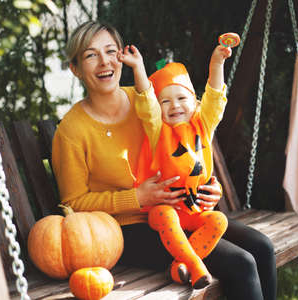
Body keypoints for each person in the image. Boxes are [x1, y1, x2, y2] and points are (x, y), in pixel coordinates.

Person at [52, 20, 277, 300]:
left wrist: (209, 184)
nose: (104, 62)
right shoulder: (72, 130)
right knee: (240, 263)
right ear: (75, 68)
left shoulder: (150, 97)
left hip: (182, 210)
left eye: (111, 51)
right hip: (127, 228)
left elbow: (196, 134)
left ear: (122, 56)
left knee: (262, 246)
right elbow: (72, 204)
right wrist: (136, 197)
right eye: (90, 55)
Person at [134, 45, 233, 289]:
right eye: (164, 101)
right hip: (166, 211)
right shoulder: (158, 131)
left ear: (195, 101)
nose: (174, 106)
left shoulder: (203, 126)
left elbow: (215, 98)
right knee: (164, 214)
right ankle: (196, 266)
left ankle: (180, 266)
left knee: (219, 220)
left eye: (181, 98)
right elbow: (146, 103)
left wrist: (216, 65)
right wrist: (138, 68)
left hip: (195, 212)